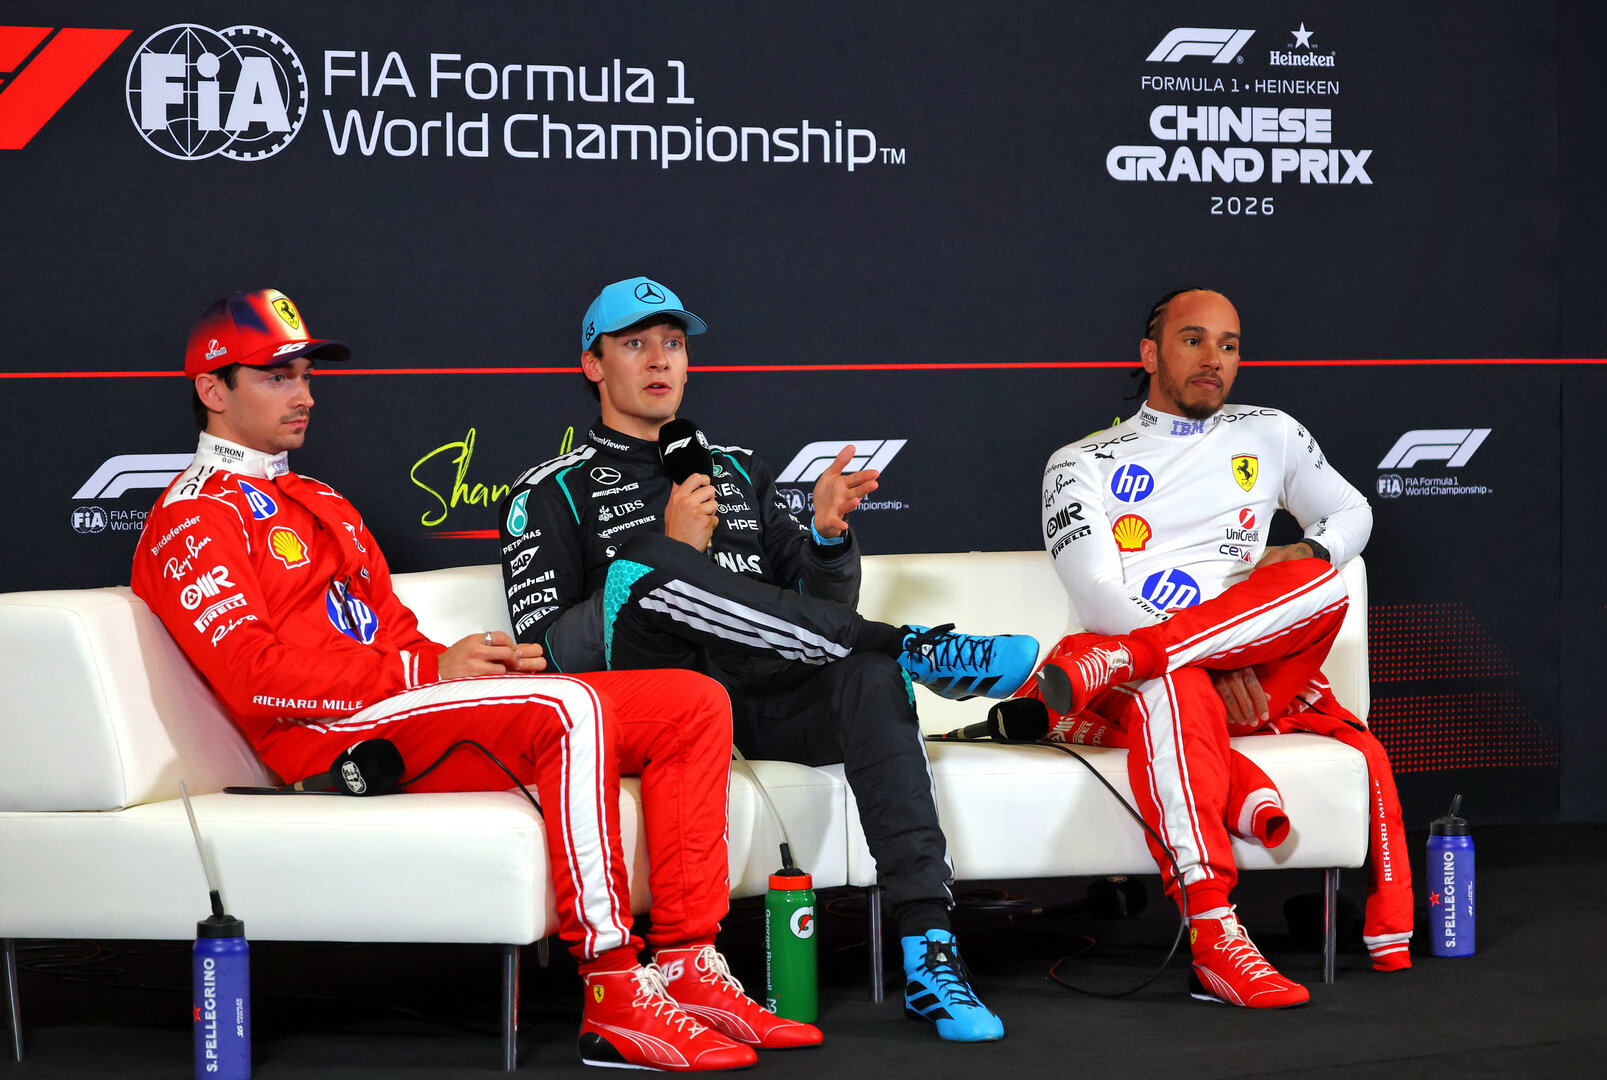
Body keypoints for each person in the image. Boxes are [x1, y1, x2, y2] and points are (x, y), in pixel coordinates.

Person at [132, 288, 822, 1072]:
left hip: (395, 709)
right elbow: (254, 678)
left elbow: (386, 631)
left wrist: (464, 662)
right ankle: (613, 992)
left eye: (305, 373)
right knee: (567, 709)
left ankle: (689, 965)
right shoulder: (192, 517)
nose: (305, 393)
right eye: (278, 376)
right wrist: (426, 669)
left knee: (692, 704)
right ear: (213, 389)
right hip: (320, 740)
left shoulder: (319, 499)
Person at [499, 276, 1040, 1042]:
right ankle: (917, 645)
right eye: (634, 343)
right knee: (649, 571)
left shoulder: (737, 472)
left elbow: (824, 605)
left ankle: (930, 951)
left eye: (674, 344)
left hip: (768, 693)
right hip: (665, 708)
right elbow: (548, 652)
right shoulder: (550, 493)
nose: (660, 360)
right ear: (593, 365)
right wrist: (672, 553)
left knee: (867, 674)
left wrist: (824, 536)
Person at [1025, 287, 1413, 1009]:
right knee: (1166, 685)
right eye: (1194, 340)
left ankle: (1153, 661)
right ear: (1149, 355)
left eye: (1229, 345)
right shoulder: (1078, 462)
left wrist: (1306, 547)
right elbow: (1103, 600)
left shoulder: (1272, 432)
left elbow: (1352, 513)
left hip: (1251, 670)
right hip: (1139, 677)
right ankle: (1213, 935)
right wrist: (1203, 664)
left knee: (1323, 581)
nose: (1215, 360)